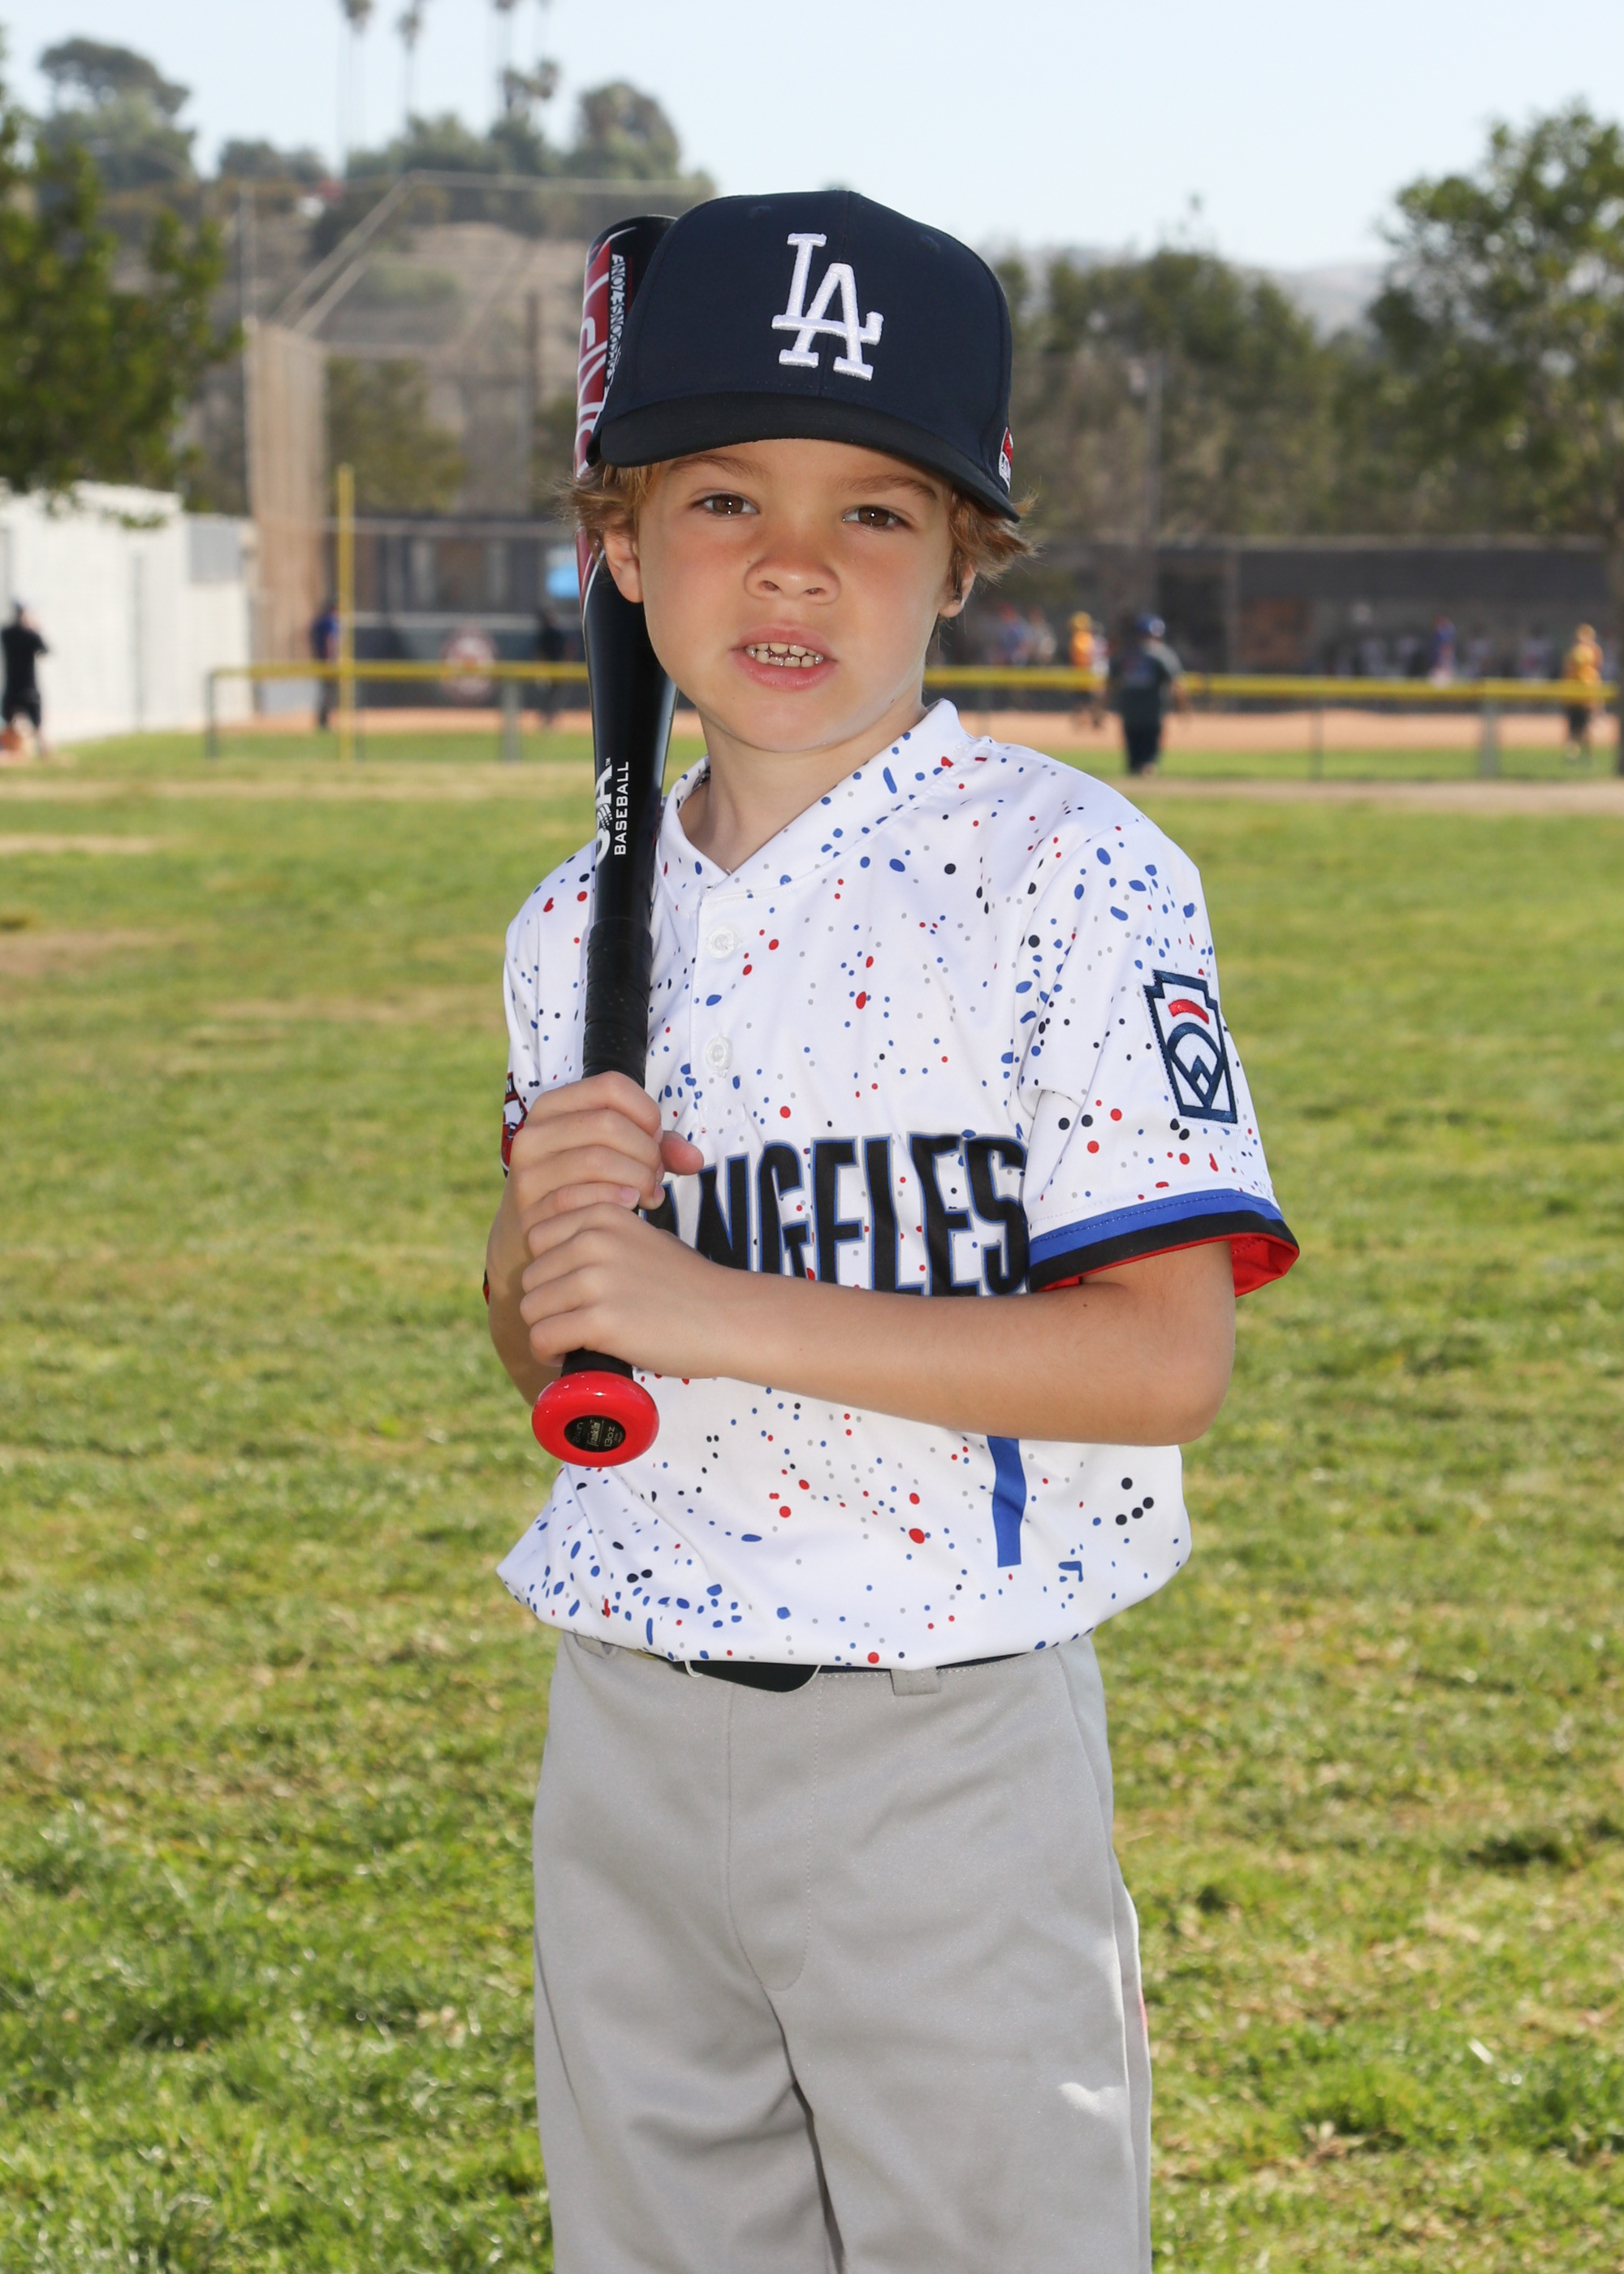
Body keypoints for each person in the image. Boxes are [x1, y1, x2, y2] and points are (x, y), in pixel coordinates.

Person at [484, 190, 1298, 2274]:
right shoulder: (571, 930)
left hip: (938, 1723)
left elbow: (1160, 1357)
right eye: (721, 497)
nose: (790, 562)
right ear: (617, 549)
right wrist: (541, 1264)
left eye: (871, 509)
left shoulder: (1068, 872)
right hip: (627, 1717)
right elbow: (566, 1358)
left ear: (963, 555)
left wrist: (706, 1304)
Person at [1108, 611, 1185, 776]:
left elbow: (1110, 685)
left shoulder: (1125, 654)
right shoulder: (1162, 654)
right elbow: (1177, 685)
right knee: (1147, 762)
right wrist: (1182, 709)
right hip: (1150, 714)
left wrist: (1098, 709)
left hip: (1132, 714)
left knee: (1135, 762)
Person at [2, 602, 48, 755]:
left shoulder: (7, 634)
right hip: (29, 686)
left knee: (9, 721)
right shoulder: (31, 635)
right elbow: (45, 650)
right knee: (37, 725)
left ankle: (10, 751)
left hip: (12, 686)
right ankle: (43, 752)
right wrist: (34, 628)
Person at [1561, 620, 1604, 765]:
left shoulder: (1589, 654)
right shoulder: (1580, 652)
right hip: (1577, 698)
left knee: (1585, 731)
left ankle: (1585, 758)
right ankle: (1575, 758)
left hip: (1585, 699)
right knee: (1575, 731)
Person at [309, 597, 338, 728]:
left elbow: (311, 637)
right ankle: (324, 720)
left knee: (324, 691)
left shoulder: (319, 621)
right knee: (328, 691)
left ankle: (322, 718)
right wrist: (330, 660)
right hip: (328, 662)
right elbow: (329, 640)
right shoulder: (330, 621)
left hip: (319, 660)